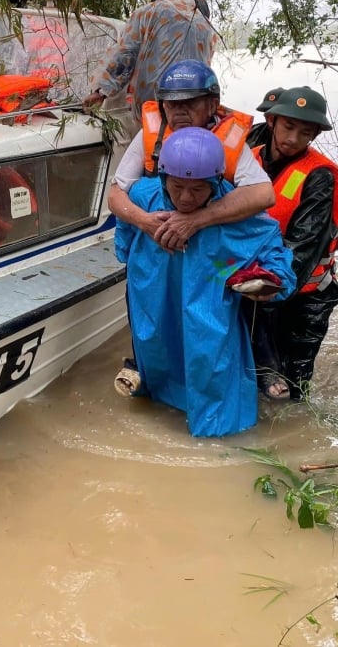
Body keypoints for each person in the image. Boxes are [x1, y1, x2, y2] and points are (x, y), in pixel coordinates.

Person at [114, 127, 296, 437]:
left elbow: (275, 259)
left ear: (215, 183)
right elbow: (124, 242)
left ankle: (218, 447)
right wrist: (144, 227)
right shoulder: (145, 199)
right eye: (176, 186)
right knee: (158, 370)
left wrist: (267, 282)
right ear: (163, 179)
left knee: (210, 376)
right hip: (156, 306)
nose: (185, 198)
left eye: (197, 190)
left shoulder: (236, 214)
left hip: (207, 317)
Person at [246, 86, 338, 401]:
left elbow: (301, 249)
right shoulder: (249, 157)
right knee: (250, 374)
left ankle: (292, 439)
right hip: (253, 289)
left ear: (314, 136)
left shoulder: (320, 177)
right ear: (272, 121)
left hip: (302, 299)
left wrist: (267, 288)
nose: (292, 138)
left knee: (292, 388)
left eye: (304, 132)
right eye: (288, 127)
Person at [107, 59, 273, 254]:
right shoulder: (151, 134)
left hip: (208, 252)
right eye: (172, 104)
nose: (179, 112)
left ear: (213, 105)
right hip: (155, 249)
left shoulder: (228, 140)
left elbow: (264, 194)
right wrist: (145, 222)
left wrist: (196, 219)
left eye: (189, 103)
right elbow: (115, 195)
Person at [82, 0, 215, 119]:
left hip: (156, 104)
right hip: (196, 104)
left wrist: (101, 91)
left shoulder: (148, 12)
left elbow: (126, 53)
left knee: (153, 137)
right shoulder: (204, 21)